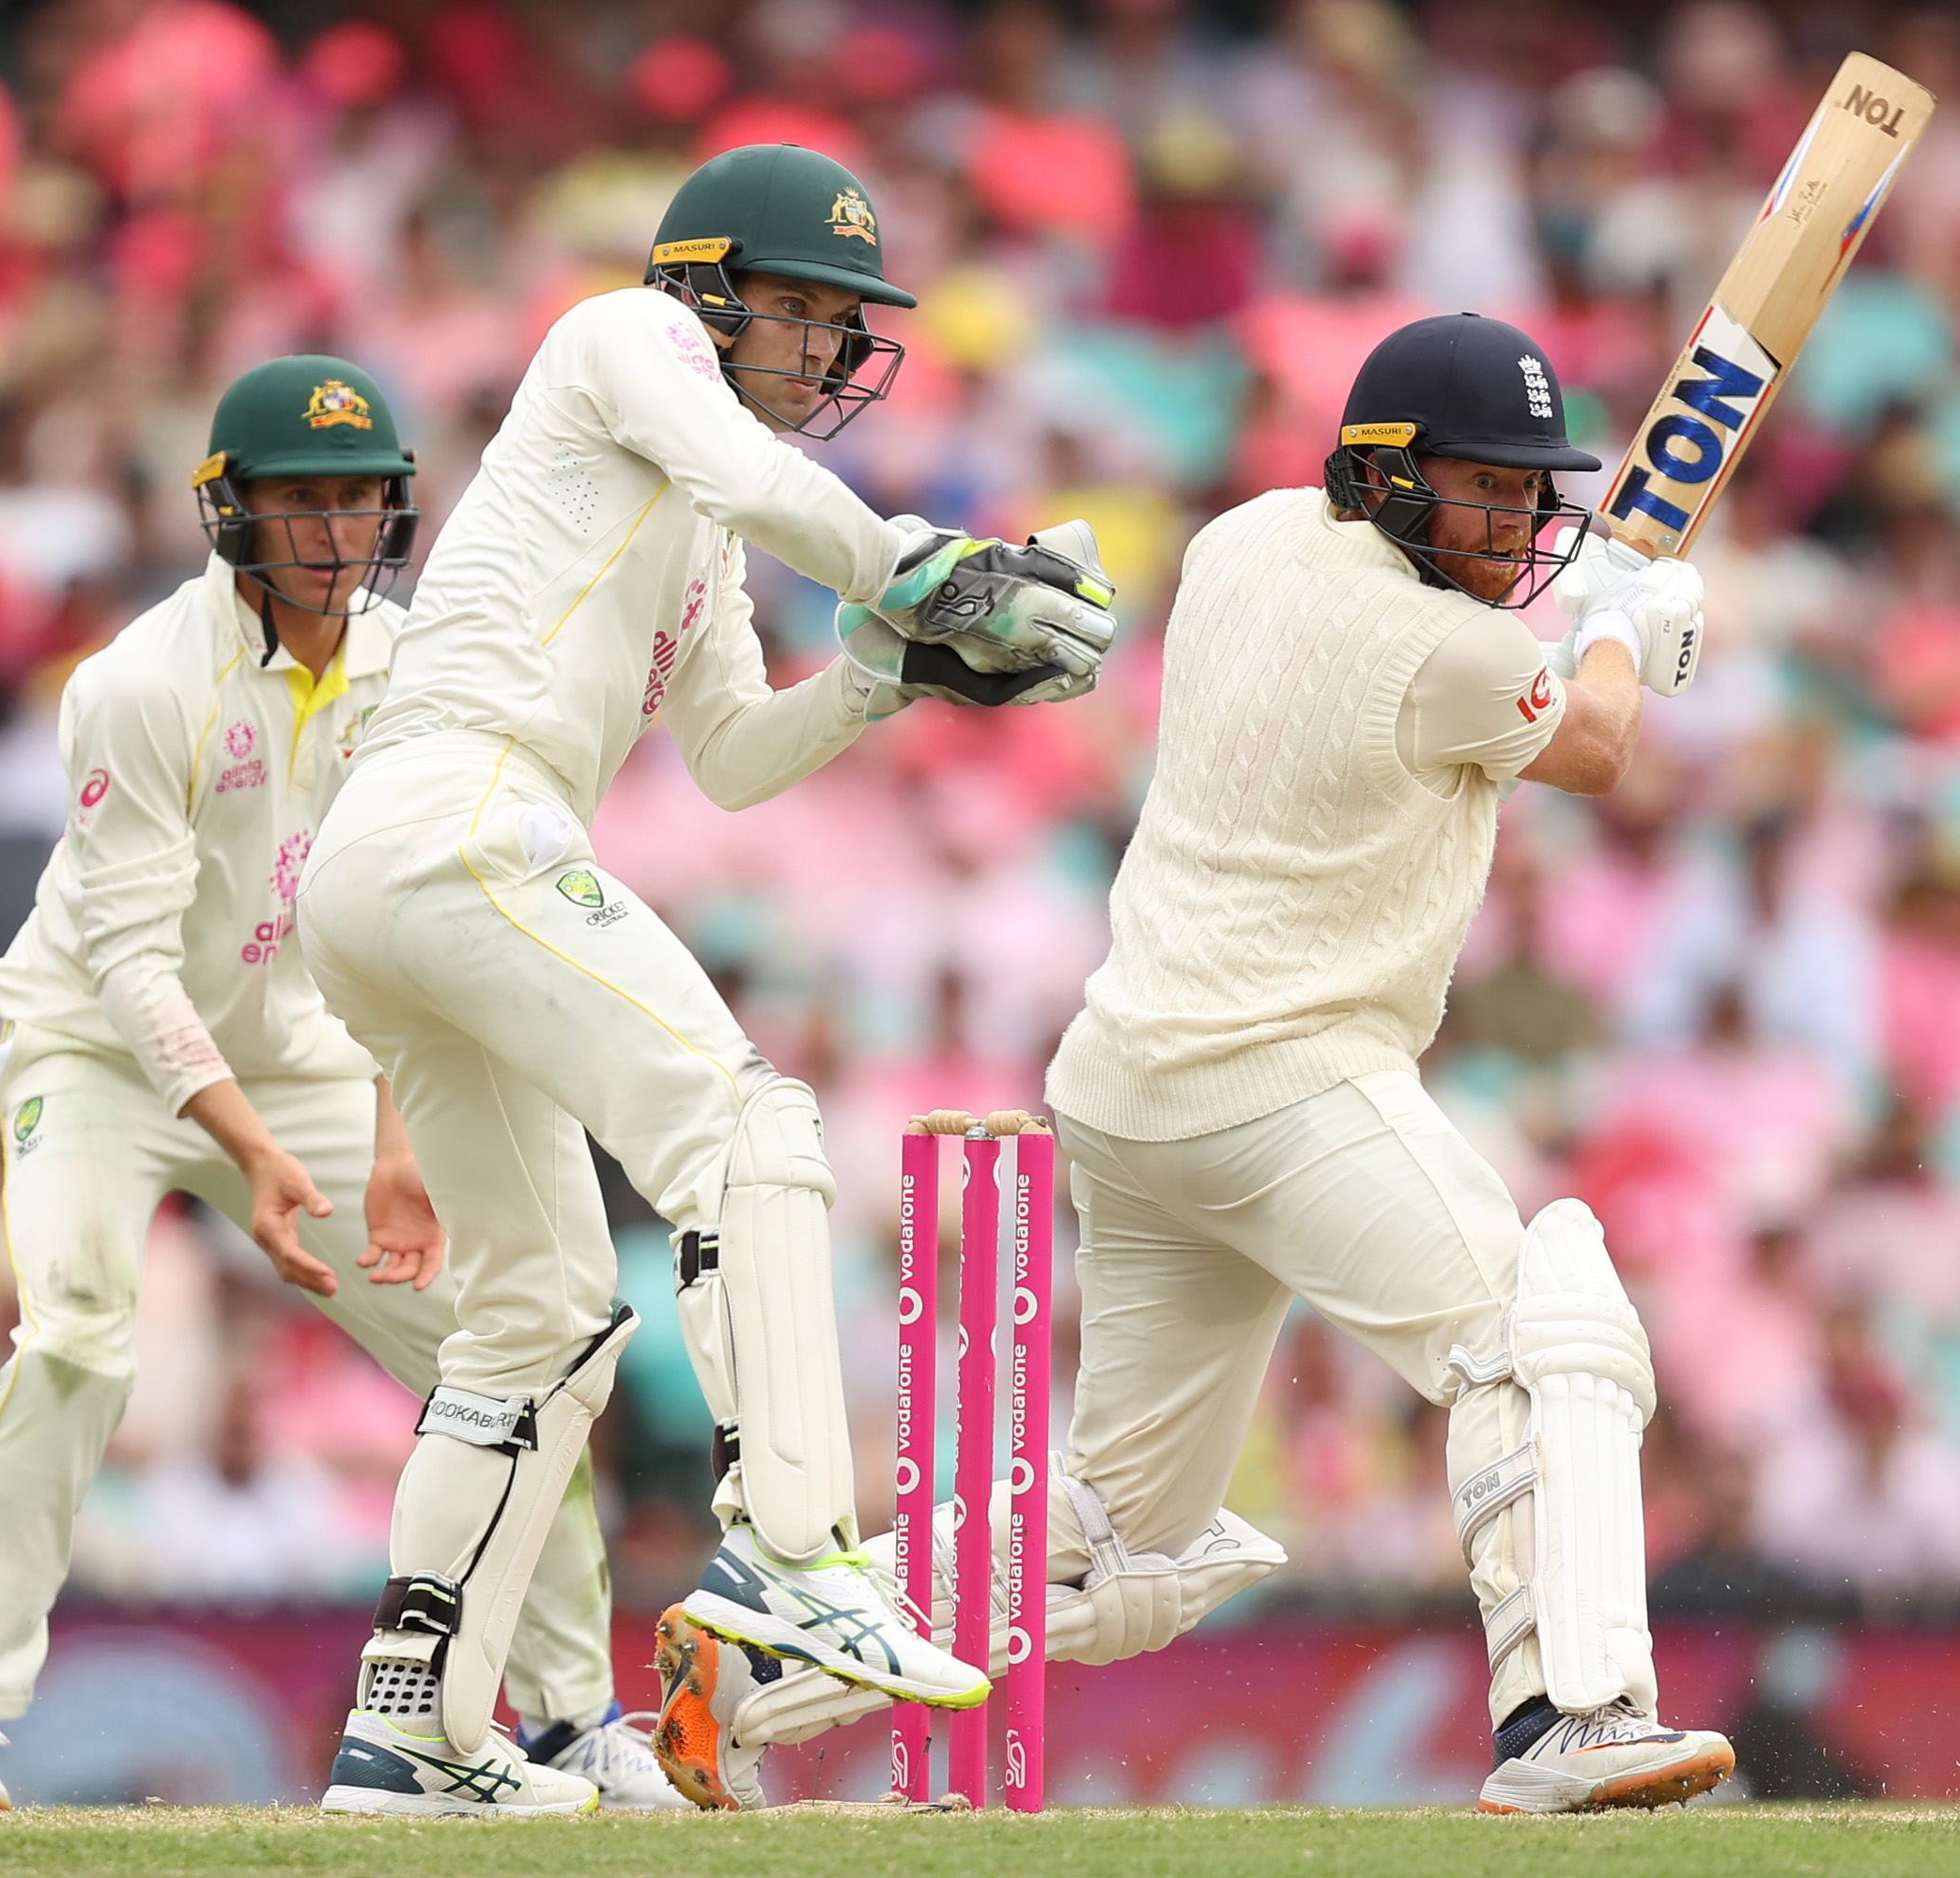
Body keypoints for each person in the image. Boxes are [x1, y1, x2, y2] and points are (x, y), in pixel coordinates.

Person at [653, 314, 1736, 1815]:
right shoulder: (1452, 647)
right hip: (1287, 1080)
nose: (1519, 525)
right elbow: (1598, 746)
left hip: (1130, 1091)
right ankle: (1575, 1715)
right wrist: (1620, 633)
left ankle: (759, 1655)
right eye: (1487, 489)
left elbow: (1462, 667)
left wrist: (1584, 631)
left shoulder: (1240, 543)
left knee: (1128, 1538)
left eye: (1529, 492)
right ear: (1389, 476)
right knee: (1541, 1327)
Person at [292, 142, 1118, 1817]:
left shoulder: (700, 521)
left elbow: (734, 754)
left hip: (400, 865)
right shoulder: (621, 337)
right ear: (708, 293)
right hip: (463, 814)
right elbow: (759, 480)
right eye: (801, 310)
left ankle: (416, 1731)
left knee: (538, 1312)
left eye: (845, 323)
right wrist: (925, 566)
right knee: (750, 1127)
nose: (829, 348)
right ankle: (791, 1550)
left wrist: (892, 670)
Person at [0, 356, 677, 1815]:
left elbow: (411, 927)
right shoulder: (138, 684)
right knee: (77, 1341)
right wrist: (249, 1153)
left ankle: (573, 1720)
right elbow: (131, 962)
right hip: (95, 1050)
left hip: (307, 1048)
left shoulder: (420, 672)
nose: (332, 531)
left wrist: (398, 1137)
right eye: (300, 499)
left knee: (516, 1353)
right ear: (231, 511)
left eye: (359, 499)